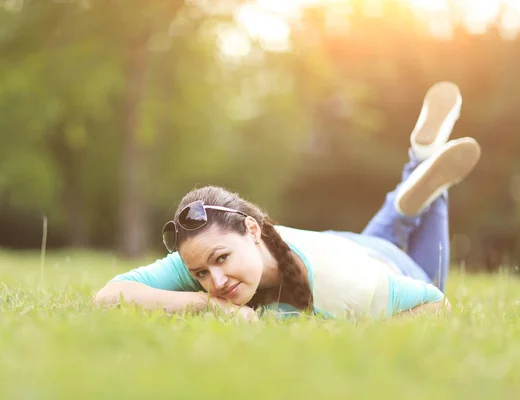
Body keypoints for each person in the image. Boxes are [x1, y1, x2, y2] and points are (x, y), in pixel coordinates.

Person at [94, 82, 481, 321]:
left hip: (381, 266)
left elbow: (436, 306)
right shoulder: (206, 252)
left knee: (432, 272)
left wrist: (359, 331)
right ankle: (418, 164)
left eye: (221, 261)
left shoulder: (343, 286)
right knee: (400, 215)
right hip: (348, 244)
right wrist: (205, 305)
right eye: (200, 275)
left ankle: (421, 167)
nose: (216, 282)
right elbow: (108, 297)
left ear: (251, 229)